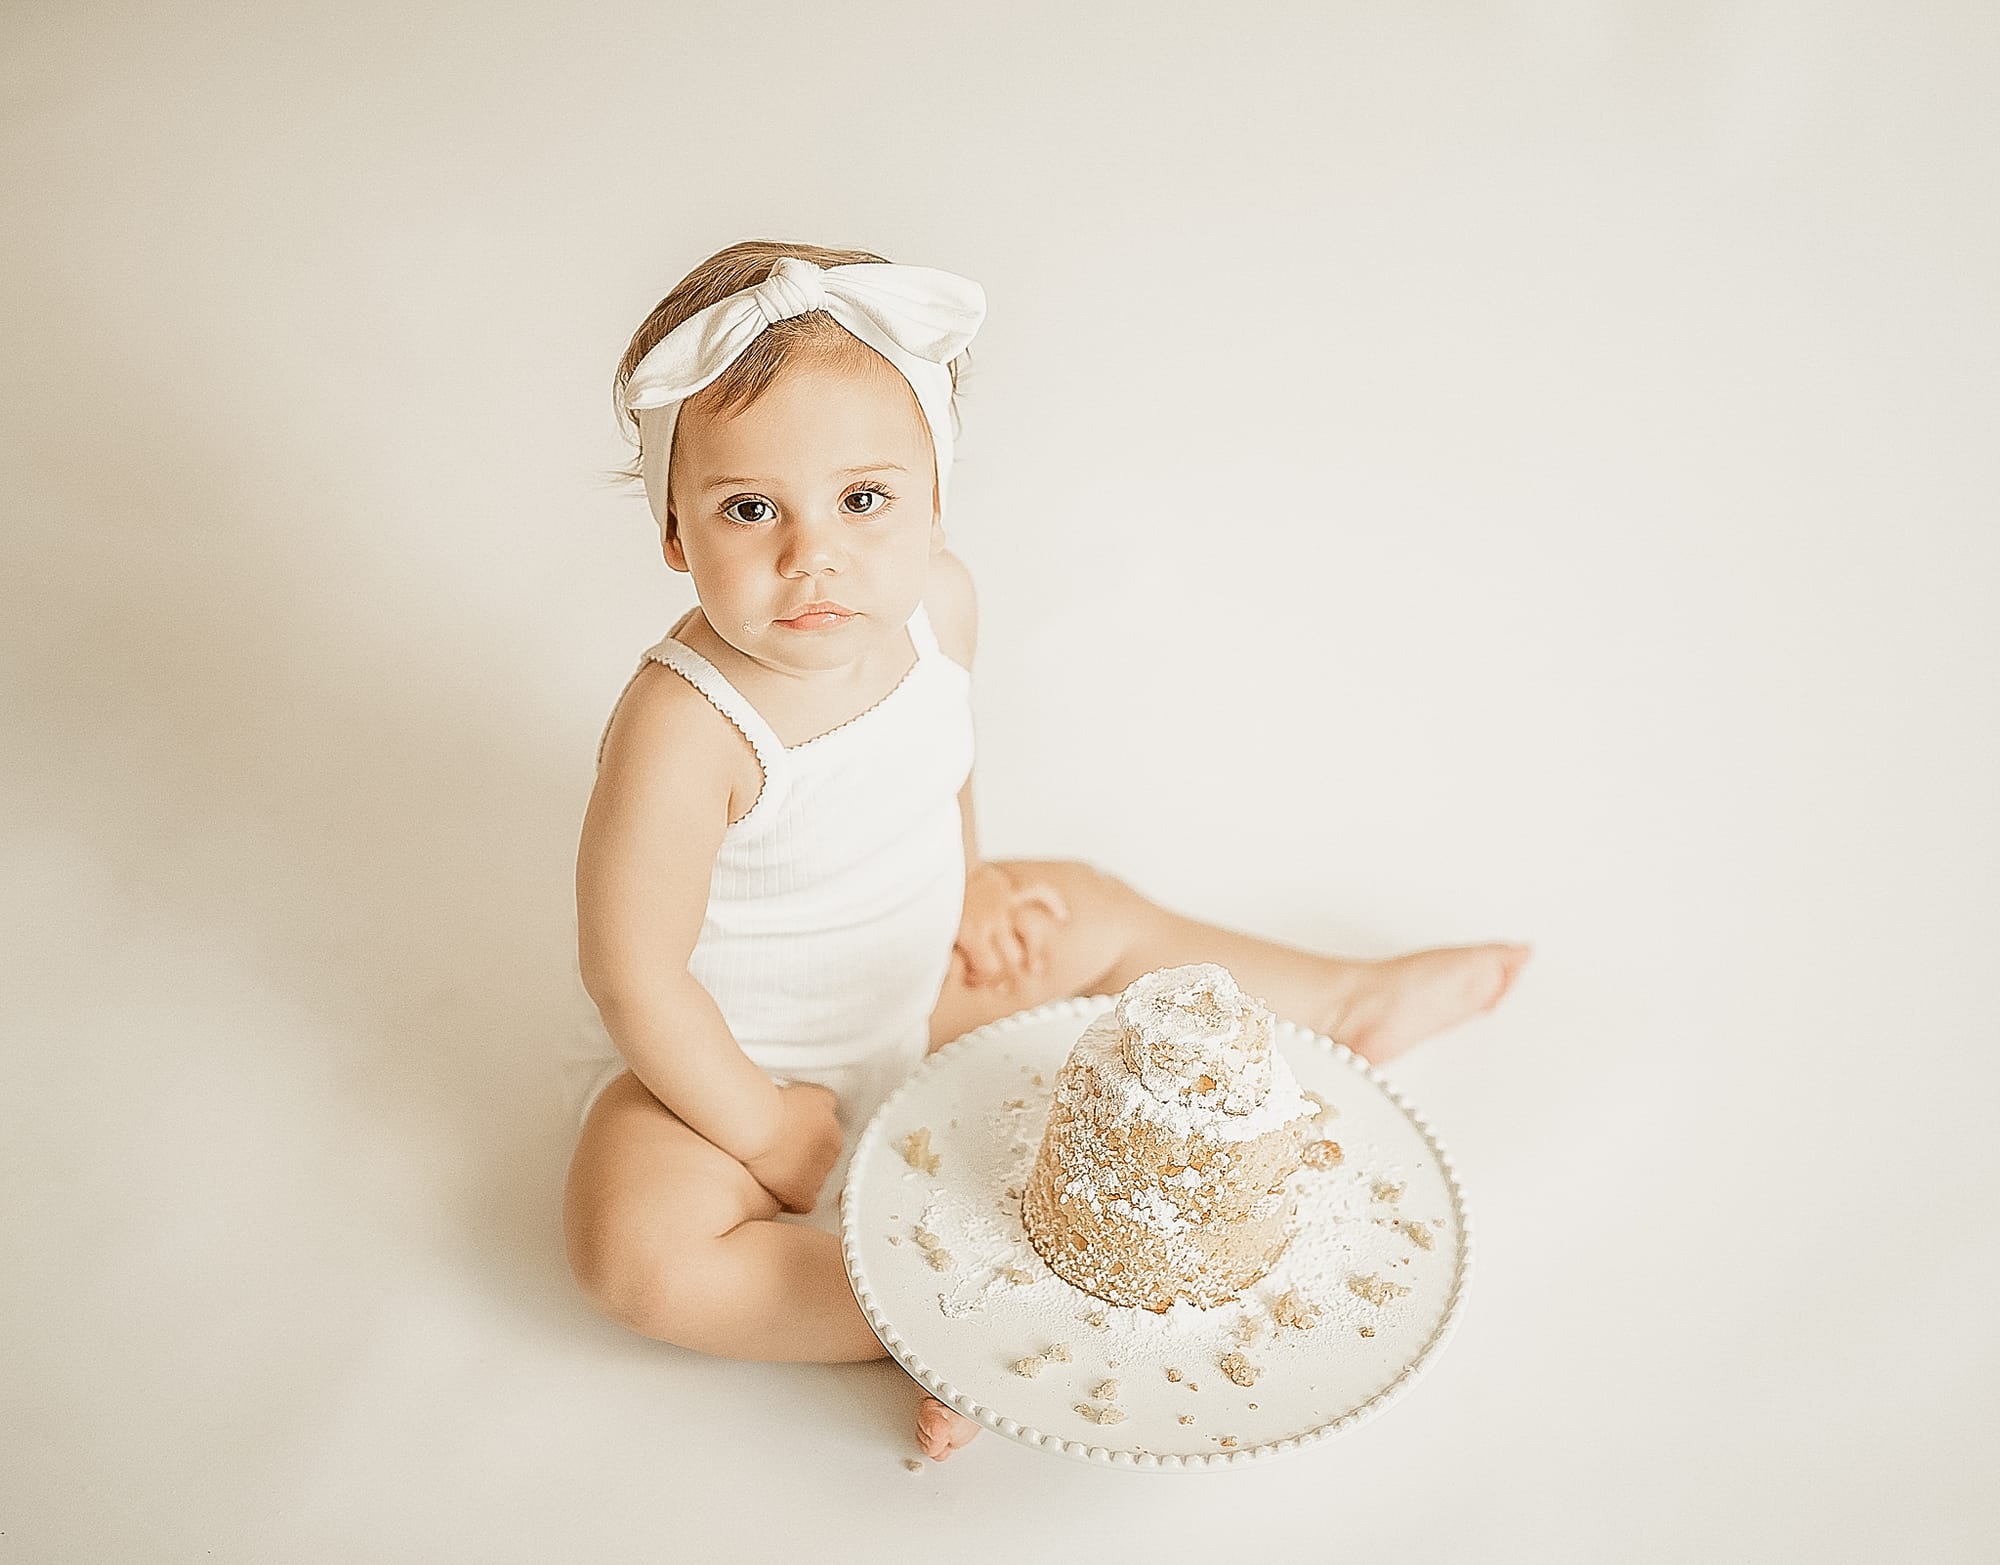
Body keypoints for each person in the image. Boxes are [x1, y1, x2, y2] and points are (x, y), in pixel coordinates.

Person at [558, 240, 1532, 1464]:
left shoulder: (938, 604)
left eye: (864, 500)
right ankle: (932, 1320)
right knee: (633, 1257)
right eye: (750, 508)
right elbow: (634, 973)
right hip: (739, 1060)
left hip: (920, 982)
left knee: (1090, 908)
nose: (814, 554)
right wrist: (754, 1126)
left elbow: (940, 765)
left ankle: (1346, 998)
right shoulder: (684, 725)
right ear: (671, 529)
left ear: (931, 496)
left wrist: (971, 888)